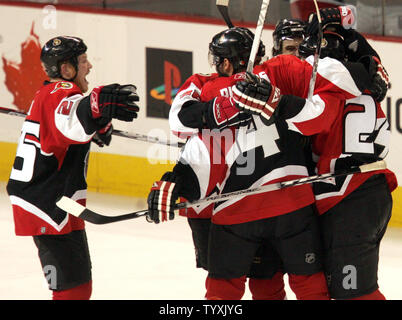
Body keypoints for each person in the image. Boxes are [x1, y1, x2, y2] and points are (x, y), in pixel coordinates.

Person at [149, 27, 358, 300]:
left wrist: (178, 180)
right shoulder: (282, 69)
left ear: (224, 62)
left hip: (238, 210)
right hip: (293, 203)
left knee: (223, 292)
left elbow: (186, 131)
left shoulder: (209, 87)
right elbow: (339, 85)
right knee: (310, 287)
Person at [234, 6, 397, 300]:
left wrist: (273, 102)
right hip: (343, 193)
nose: (298, 54)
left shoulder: (321, 78)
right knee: (322, 285)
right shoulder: (357, 73)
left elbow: (314, 120)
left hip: (344, 192)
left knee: (349, 292)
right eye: (290, 48)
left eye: (303, 47)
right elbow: (372, 66)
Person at [6, 36, 140, 300]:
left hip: (54, 200)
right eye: (82, 61)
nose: (89, 66)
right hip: (45, 204)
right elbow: (73, 117)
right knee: (71, 291)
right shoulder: (60, 93)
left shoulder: (50, 95)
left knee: (78, 287)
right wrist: (95, 108)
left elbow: (68, 126)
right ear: (66, 69)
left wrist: (96, 122)